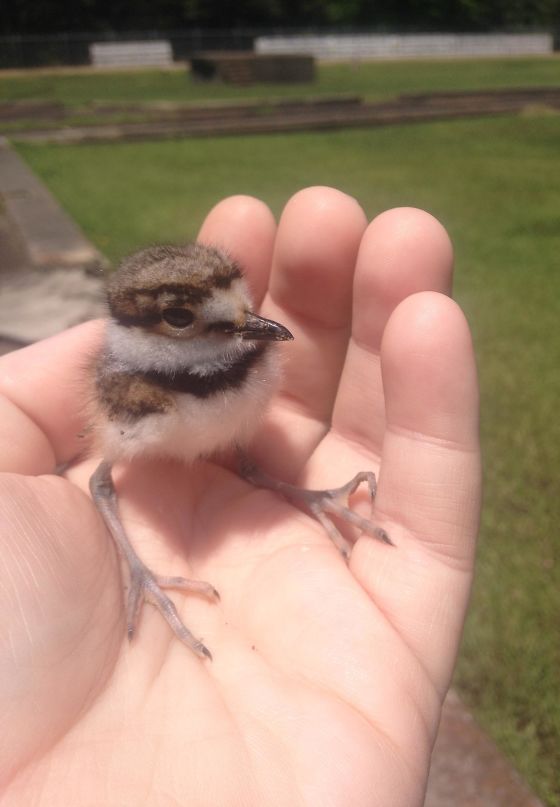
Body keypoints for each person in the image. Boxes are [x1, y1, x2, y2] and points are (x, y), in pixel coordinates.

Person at [0, 187, 480, 805]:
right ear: (137, 328)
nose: (248, 327)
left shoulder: (251, 355)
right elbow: (102, 475)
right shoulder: (133, 389)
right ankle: (142, 572)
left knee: (246, 447)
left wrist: (288, 483)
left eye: (242, 309)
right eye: (185, 320)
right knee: (105, 474)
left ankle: (287, 489)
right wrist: (138, 572)